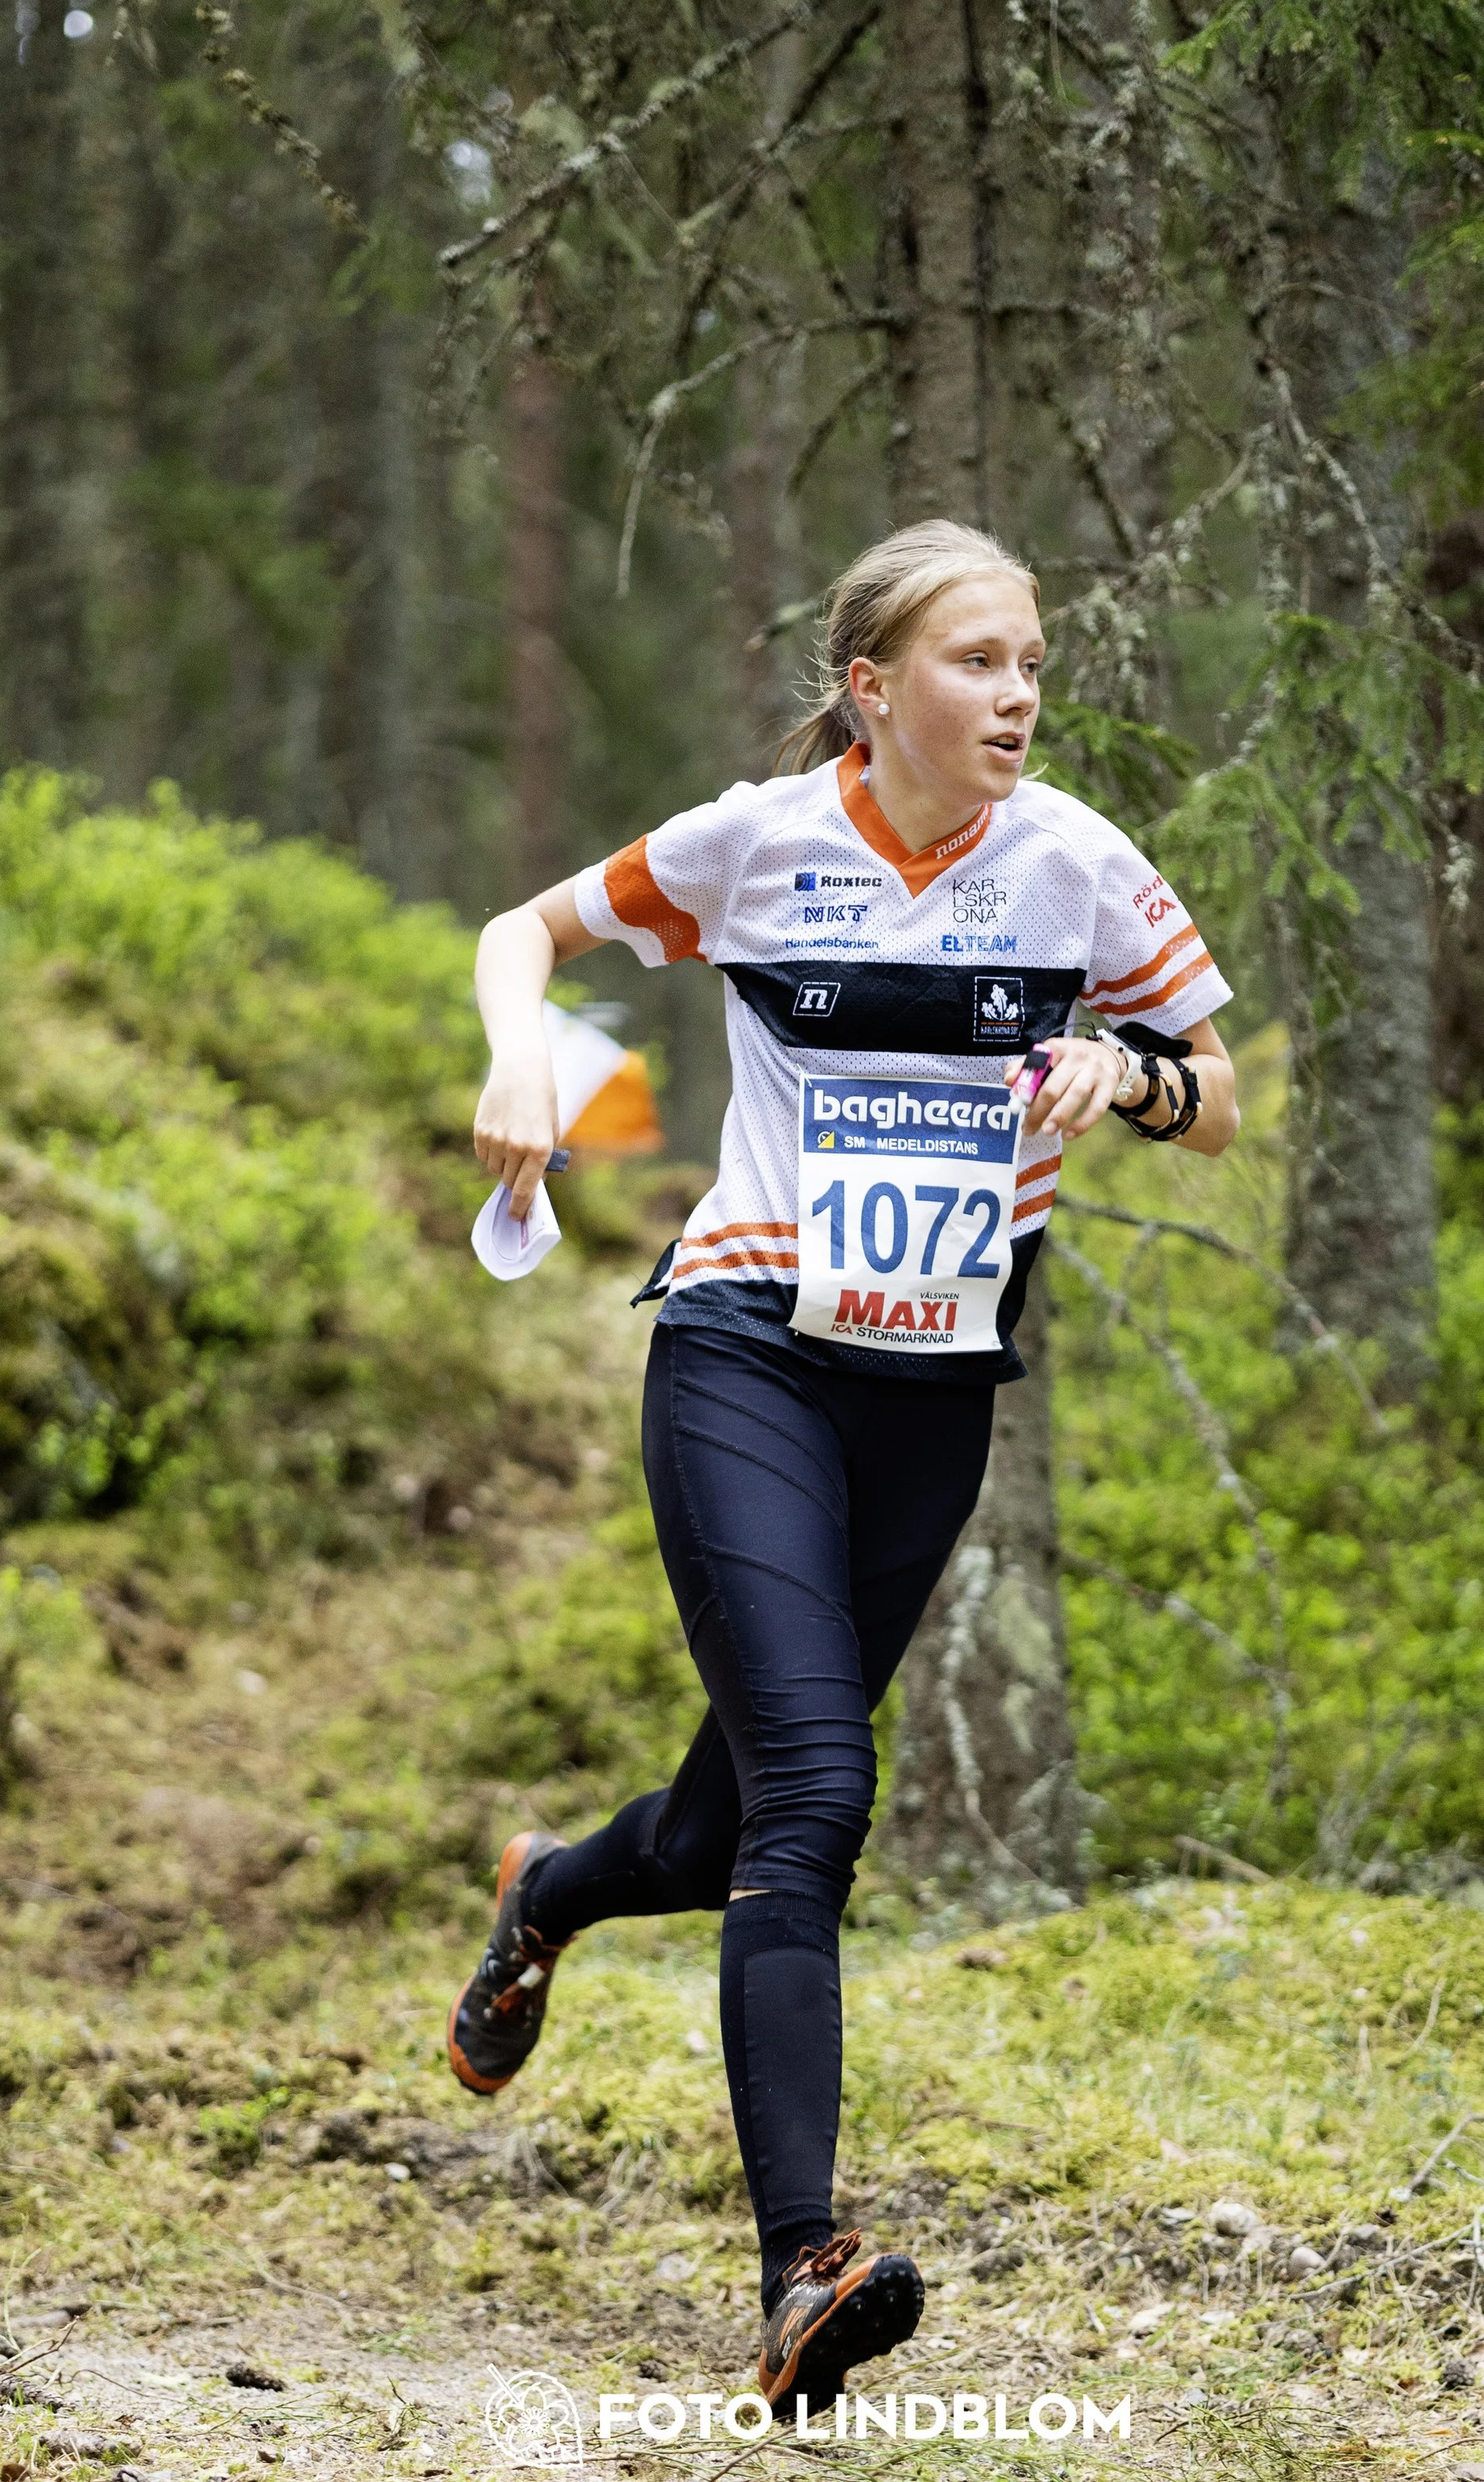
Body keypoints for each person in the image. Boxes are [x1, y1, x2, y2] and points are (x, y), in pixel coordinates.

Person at [448, 520, 1239, 2413]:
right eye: (976, 660)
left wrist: (1121, 1080)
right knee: (815, 1784)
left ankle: (549, 1888)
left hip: (930, 1391)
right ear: (874, 688)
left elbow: (1216, 1090)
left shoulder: (1074, 866)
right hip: (743, 1348)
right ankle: (804, 2262)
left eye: (1032, 659)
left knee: (728, 1826)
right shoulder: (755, 841)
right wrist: (517, 1069)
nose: (1019, 692)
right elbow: (522, 929)